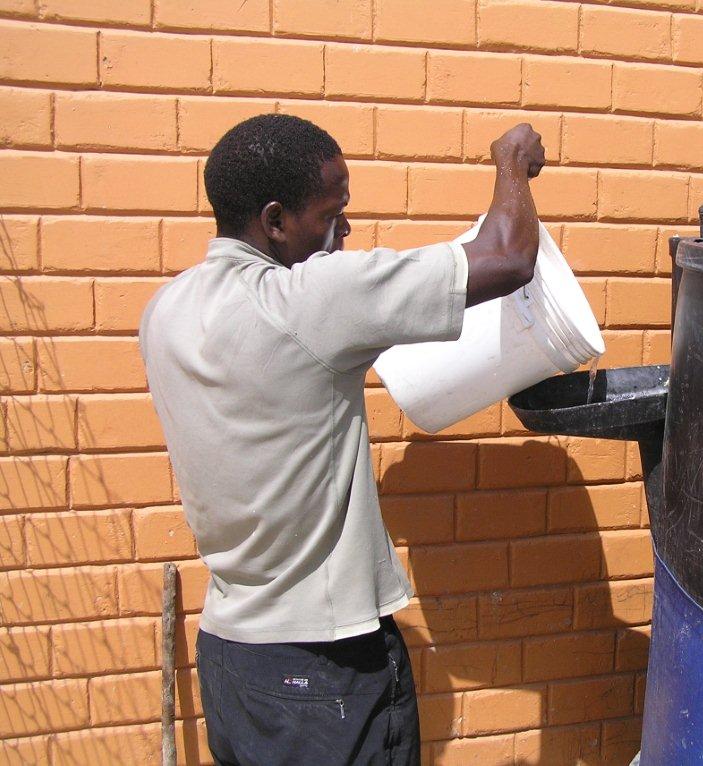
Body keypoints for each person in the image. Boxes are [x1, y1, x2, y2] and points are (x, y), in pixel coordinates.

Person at [139, 113, 546, 765]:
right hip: (321, 668)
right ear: (274, 221)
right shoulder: (305, 301)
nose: (346, 229)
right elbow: (507, 256)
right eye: (334, 212)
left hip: (230, 656)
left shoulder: (164, 311)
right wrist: (512, 161)